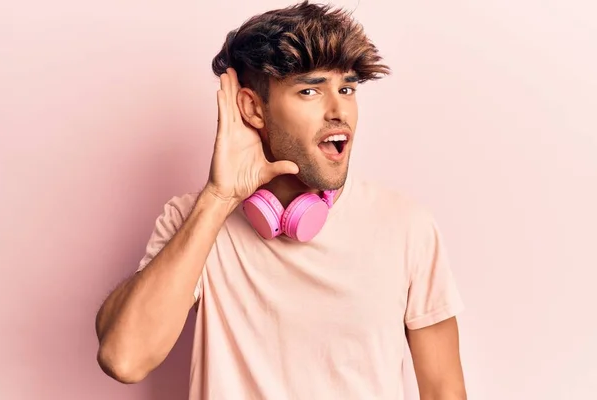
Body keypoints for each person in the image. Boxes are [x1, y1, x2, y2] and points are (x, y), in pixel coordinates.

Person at [95, 1, 467, 399]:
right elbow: (124, 358)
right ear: (254, 109)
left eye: (346, 88)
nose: (338, 110)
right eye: (310, 90)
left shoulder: (405, 225)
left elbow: (444, 389)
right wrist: (219, 198)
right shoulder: (192, 220)